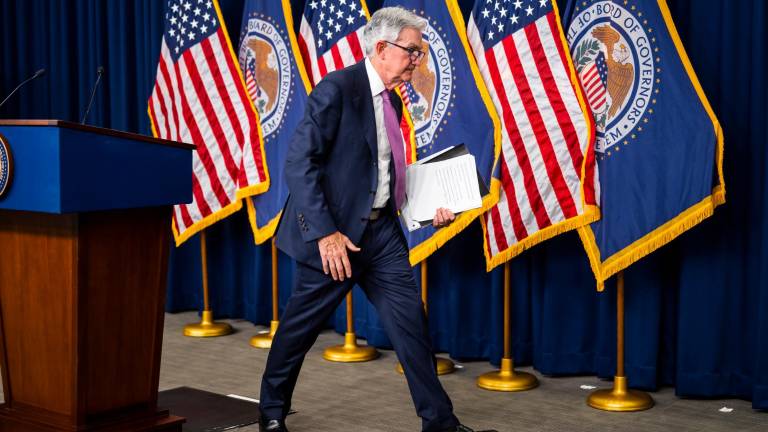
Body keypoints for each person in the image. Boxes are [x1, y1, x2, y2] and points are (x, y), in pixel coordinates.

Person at [258, 7, 496, 432]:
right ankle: (271, 413)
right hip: (335, 239)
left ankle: (439, 422)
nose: (417, 62)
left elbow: (384, 175)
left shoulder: (394, 104)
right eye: (413, 53)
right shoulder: (337, 89)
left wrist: (428, 209)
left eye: (419, 54)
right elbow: (299, 163)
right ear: (382, 49)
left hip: (382, 234)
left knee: (411, 327)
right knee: (299, 331)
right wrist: (326, 233)